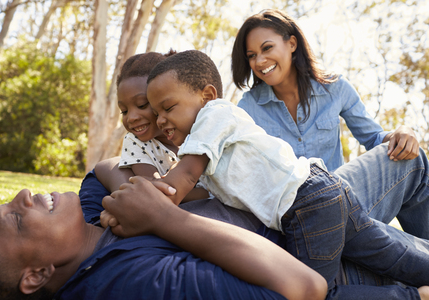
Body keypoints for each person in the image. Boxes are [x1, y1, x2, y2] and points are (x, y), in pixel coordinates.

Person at [143, 49, 429, 297]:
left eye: (168, 108)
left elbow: (180, 182)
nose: (162, 120)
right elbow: (195, 190)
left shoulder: (212, 116)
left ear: (207, 96)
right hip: (324, 189)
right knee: (388, 254)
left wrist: (141, 200)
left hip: (305, 206)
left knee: (314, 291)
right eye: (156, 114)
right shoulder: (211, 145)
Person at [231, 9, 429, 241]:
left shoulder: (335, 88)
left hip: (343, 197)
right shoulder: (248, 107)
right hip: (294, 211)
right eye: (251, 55)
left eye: (267, 48)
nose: (260, 61)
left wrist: (402, 133)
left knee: (411, 157)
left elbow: (374, 139)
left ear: (292, 43)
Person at [0, 179, 327, 300]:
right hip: (317, 246)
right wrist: (163, 216)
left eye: (6, 202)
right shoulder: (135, 284)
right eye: (14, 218)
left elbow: (103, 167)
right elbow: (305, 286)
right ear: (37, 274)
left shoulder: (88, 219)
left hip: (290, 204)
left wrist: (137, 193)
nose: (23, 195)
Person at [95, 51, 208, 201]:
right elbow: (155, 190)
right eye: (124, 111)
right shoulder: (137, 143)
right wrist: (206, 194)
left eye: (142, 105)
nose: (132, 117)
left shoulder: (195, 136)